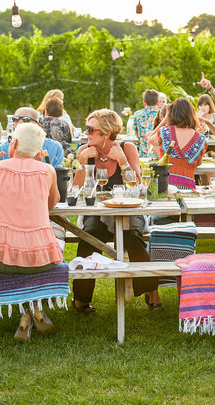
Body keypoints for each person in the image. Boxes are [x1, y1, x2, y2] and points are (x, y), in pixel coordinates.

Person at [71, 109, 160, 312]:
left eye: (90, 129)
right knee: (88, 236)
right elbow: (75, 191)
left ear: (107, 133)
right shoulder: (85, 150)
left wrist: (123, 162)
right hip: (98, 213)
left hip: (128, 209)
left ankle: (151, 291)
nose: (86, 133)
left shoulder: (127, 148)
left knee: (132, 236)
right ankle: (81, 298)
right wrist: (82, 164)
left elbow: (137, 187)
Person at [0, 122, 63, 341]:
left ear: (14, 143)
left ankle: (26, 317)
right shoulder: (47, 171)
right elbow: (52, 203)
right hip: (41, 258)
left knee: (18, 261)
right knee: (58, 236)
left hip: (0, 257)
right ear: (39, 150)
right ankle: (34, 310)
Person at [148, 98, 208, 190]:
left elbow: (150, 140)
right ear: (192, 115)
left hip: (163, 186)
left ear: (172, 114)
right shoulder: (201, 139)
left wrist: (165, 120)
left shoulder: (164, 132)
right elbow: (198, 163)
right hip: (187, 188)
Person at [0, 107, 64, 168]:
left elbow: (58, 176)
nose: (20, 122)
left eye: (26, 119)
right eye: (16, 119)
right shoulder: (2, 149)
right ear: (13, 124)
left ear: (38, 125)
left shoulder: (54, 147)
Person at [132, 89, 161, 158]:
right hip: (158, 152)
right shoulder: (161, 114)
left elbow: (136, 133)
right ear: (157, 103)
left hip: (143, 153)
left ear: (144, 102)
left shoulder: (137, 114)